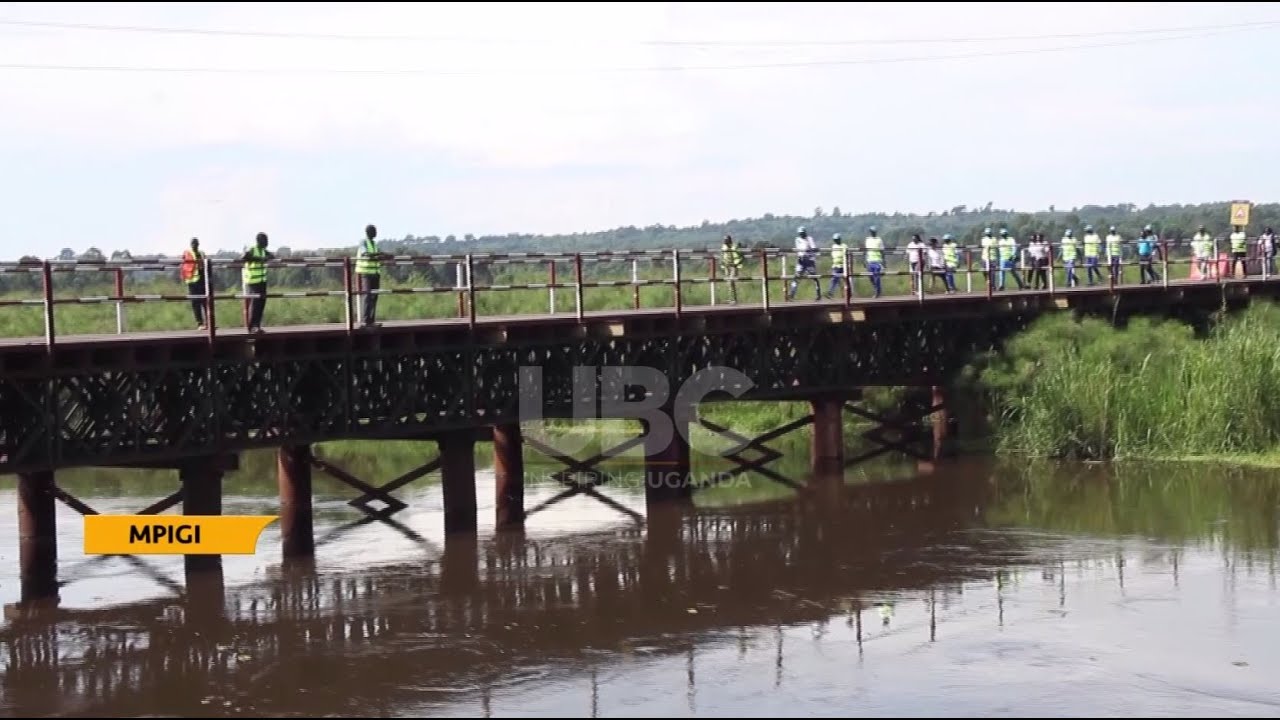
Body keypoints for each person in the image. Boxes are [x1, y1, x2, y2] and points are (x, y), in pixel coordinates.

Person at [355, 223, 391, 327]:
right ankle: (366, 321)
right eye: (374, 231)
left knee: (374, 296)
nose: (376, 233)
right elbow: (365, 254)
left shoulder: (374, 244)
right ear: (368, 232)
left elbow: (377, 254)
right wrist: (378, 255)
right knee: (368, 295)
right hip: (366, 273)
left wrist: (386, 255)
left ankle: (372, 321)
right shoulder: (363, 242)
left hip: (375, 273)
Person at [241, 232, 275, 333]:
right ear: (259, 241)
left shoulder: (264, 251)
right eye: (265, 240)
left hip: (262, 281)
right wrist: (258, 259)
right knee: (255, 304)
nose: (267, 243)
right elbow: (244, 257)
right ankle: (252, 327)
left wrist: (268, 257)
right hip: (252, 281)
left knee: (261, 304)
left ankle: (257, 325)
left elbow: (272, 256)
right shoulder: (252, 249)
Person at [786, 226, 821, 301]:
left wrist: (810, 251)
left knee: (814, 277)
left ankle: (818, 294)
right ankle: (791, 294)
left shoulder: (809, 239)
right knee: (796, 277)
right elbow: (799, 250)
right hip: (801, 260)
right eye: (800, 233)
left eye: (803, 233)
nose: (802, 235)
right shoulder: (797, 239)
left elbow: (813, 248)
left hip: (809, 260)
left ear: (805, 233)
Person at [180, 237, 207, 329]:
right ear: (190, 244)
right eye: (193, 243)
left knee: (205, 301)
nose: (194, 245)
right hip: (192, 281)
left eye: (196, 243)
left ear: (198, 244)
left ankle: (209, 323)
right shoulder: (187, 253)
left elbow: (205, 265)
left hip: (202, 280)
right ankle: (200, 323)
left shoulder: (202, 253)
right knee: (196, 302)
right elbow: (183, 265)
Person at [721, 234, 744, 304]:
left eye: (726, 240)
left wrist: (737, 264)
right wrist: (722, 263)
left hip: (734, 266)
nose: (725, 241)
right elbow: (722, 256)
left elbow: (742, 256)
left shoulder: (735, 247)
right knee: (729, 283)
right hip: (726, 266)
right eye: (724, 240)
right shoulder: (723, 247)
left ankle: (733, 299)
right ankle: (731, 299)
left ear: (729, 240)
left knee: (731, 281)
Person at [825, 233, 848, 299]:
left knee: (846, 281)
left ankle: (847, 294)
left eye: (837, 239)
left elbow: (846, 254)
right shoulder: (833, 246)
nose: (836, 241)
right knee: (834, 280)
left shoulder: (844, 246)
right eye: (835, 240)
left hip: (843, 266)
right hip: (836, 266)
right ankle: (830, 293)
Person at [864, 226, 885, 298]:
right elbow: (866, 251)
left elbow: (882, 251)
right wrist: (865, 260)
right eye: (872, 232)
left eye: (874, 232)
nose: (873, 233)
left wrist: (884, 262)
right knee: (871, 277)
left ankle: (877, 292)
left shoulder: (879, 240)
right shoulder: (868, 240)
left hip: (877, 261)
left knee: (877, 276)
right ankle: (876, 288)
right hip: (870, 261)